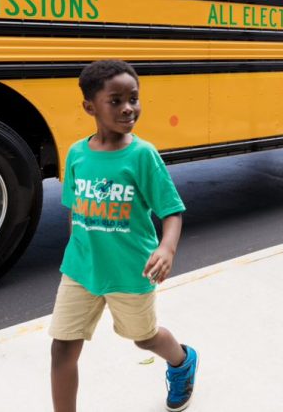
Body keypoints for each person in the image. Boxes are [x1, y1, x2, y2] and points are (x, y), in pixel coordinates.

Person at [50, 60, 198, 412]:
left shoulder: (142, 155)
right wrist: (79, 250)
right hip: (80, 270)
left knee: (143, 338)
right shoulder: (76, 154)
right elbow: (74, 209)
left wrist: (167, 247)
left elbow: (171, 210)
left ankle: (181, 361)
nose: (128, 107)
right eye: (115, 100)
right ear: (90, 107)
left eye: (133, 98)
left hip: (131, 271)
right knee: (62, 349)